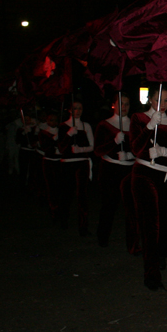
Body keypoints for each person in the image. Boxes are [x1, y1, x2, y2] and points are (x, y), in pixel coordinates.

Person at [130, 87, 167, 291]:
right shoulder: (138, 118)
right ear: (150, 100)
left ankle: (160, 253)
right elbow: (135, 149)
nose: (163, 104)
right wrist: (149, 127)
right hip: (144, 173)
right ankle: (151, 273)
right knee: (150, 224)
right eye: (159, 99)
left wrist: (163, 151)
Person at [94, 94, 138, 252]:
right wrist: (114, 142)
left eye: (127, 104)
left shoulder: (135, 125)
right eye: (121, 103)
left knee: (132, 209)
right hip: (110, 170)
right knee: (109, 206)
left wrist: (131, 155)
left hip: (129, 170)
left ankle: (133, 243)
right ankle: (103, 237)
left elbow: (140, 148)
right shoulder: (104, 125)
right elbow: (98, 150)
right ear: (114, 105)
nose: (124, 107)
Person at [57, 100, 95, 237]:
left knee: (82, 195)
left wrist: (81, 149)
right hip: (67, 163)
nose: (77, 111)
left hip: (82, 163)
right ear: (69, 110)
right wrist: (68, 134)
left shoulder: (86, 126)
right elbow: (61, 148)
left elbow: (92, 146)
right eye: (75, 108)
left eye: (80, 108)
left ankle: (83, 226)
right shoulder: (63, 126)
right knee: (66, 193)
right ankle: (63, 218)